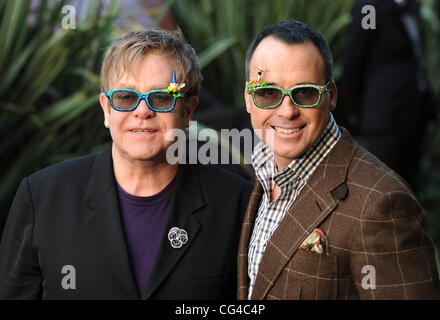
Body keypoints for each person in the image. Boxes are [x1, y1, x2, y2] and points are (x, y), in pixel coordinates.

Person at [0, 28, 252, 299]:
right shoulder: (41, 197)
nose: (143, 111)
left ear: (188, 111)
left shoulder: (237, 203)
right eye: (125, 97)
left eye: (162, 97)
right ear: (106, 109)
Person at [237, 19, 440, 300]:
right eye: (268, 93)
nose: (287, 111)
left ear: (331, 95)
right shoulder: (260, 175)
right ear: (248, 98)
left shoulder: (381, 203)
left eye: (305, 92)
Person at [340, 0, 430, 192]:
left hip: (412, 115)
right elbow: (354, 60)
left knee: (410, 187)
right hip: (381, 118)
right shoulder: (370, 8)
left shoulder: (412, 7)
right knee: (381, 188)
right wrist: (353, 112)